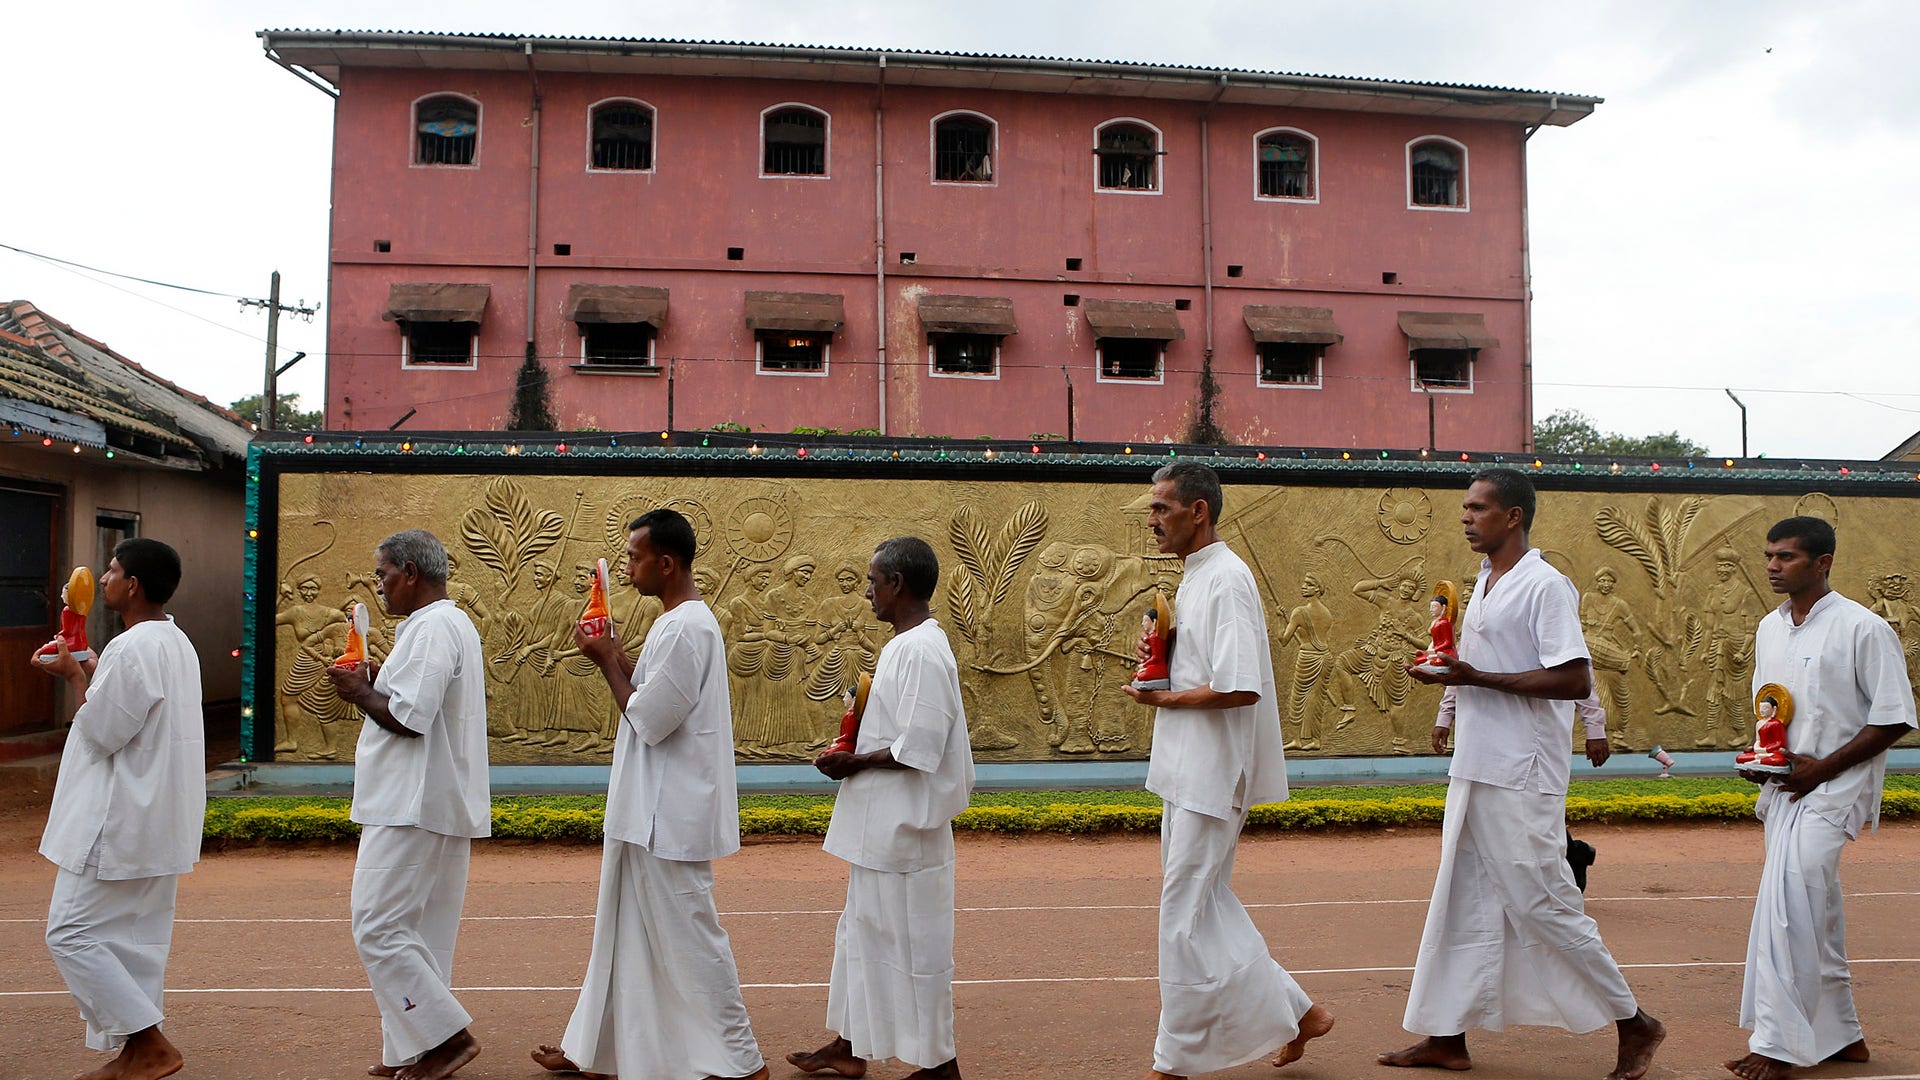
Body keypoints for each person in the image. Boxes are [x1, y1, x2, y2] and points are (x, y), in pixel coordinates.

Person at [1381, 468, 1664, 1079]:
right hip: (1477, 765)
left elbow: (1574, 679)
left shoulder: (1545, 585)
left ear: (1512, 516)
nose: (1466, 517)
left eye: (1478, 508)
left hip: (1523, 770)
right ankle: (1446, 1038)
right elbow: (1473, 665)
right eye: (1465, 507)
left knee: (1543, 901)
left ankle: (1635, 1022)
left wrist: (1472, 680)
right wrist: (1449, 690)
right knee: (1461, 897)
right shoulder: (1483, 581)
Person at [533, 509, 769, 1080]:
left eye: (636, 557)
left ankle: (742, 1060)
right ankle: (598, 1048)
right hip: (647, 807)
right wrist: (615, 653)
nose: (628, 567)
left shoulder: (688, 625)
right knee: (623, 931)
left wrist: (606, 658)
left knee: (692, 933)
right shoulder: (674, 623)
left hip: (671, 812)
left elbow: (651, 717)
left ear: (666, 563)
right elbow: (655, 692)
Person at [1121, 462, 1333, 1080]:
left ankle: (1174, 1060)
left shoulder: (1228, 580)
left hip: (1214, 773)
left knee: (1182, 914)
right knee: (1200, 905)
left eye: (1163, 508)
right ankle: (1299, 1013)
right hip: (1187, 768)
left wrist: (1163, 698)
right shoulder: (1196, 578)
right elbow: (1202, 672)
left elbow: (1240, 688)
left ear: (1199, 512)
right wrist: (1159, 664)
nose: (1153, 519)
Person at [1724, 516, 1916, 1080]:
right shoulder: (1769, 628)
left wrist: (1822, 770)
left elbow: (1894, 719)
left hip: (1837, 788)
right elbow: (1772, 713)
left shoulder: (1864, 628)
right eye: (1769, 556)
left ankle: (1778, 1045)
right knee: (1817, 910)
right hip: (1787, 787)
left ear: (1822, 562)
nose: (1773, 567)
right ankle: (1843, 1036)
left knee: (1789, 907)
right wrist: (1762, 759)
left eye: (1786, 557)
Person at [788, 536, 975, 1080]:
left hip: (906, 833)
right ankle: (850, 1045)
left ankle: (940, 1066)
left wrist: (855, 761)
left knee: (916, 951)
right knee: (862, 939)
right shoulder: (905, 645)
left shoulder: (921, 649)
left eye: (873, 581)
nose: (868, 591)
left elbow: (919, 746)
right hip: (883, 832)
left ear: (897, 584)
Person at [38, 538, 203, 1080]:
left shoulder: (133, 648)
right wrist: (89, 666)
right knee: (135, 940)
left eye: (112, 569)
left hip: (118, 820)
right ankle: (137, 1053)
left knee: (70, 932)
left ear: (132, 585)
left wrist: (74, 677)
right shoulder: (174, 642)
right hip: (158, 819)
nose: (103, 578)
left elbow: (104, 731)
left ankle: (149, 1044)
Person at [327, 529, 489, 1080]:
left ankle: (445, 1039)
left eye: (384, 575)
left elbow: (410, 719)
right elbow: (415, 700)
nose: (380, 586)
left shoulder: (433, 626)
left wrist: (359, 692)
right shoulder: (443, 625)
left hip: (410, 801)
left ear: (411, 573)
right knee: (421, 933)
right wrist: (374, 677)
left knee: (376, 925)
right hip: (431, 798)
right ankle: (413, 1047)